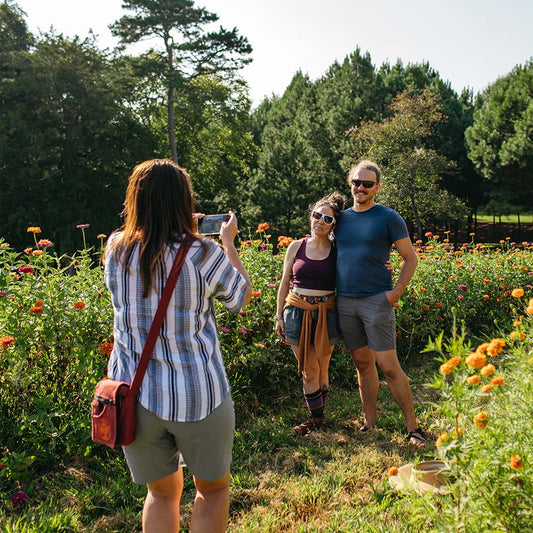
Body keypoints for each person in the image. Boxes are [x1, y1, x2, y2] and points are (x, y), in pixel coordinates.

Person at [103, 159, 252, 533]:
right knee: (213, 491)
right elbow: (240, 297)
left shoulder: (115, 249)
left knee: (162, 494)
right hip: (198, 394)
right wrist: (227, 243)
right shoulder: (203, 253)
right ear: (184, 202)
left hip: (135, 397)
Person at [335, 159, 426, 447]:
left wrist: (395, 292)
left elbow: (409, 257)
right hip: (345, 301)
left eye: (367, 184)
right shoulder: (340, 218)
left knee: (388, 365)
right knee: (362, 363)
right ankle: (369, 423)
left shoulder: (388, 217)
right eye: (356, 182)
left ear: (377, 187)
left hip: (377, 300)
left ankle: (412, 427)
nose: (360, 188)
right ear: (350, 183)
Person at [275, 193, 345, 436]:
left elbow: (360, 266)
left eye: (327, 219)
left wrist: (385, 266)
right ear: (311, 216)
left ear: (334, 225)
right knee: (308, 369)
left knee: (323, 369)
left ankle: (318, 419)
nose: (320, 221)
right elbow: (284, 283)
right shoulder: (296, 246)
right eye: (317, 215)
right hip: (297, 311)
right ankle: (316, 421)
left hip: (326, 314)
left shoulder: (338, 250)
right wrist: (278, 316)